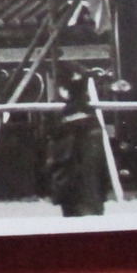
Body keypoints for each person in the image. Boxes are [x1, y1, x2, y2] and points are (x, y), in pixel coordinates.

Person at [45, 68, 107, 217]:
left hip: (74, 190)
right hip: (91, 191)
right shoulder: (92, 117)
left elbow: (58, 158)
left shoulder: (64, 118)